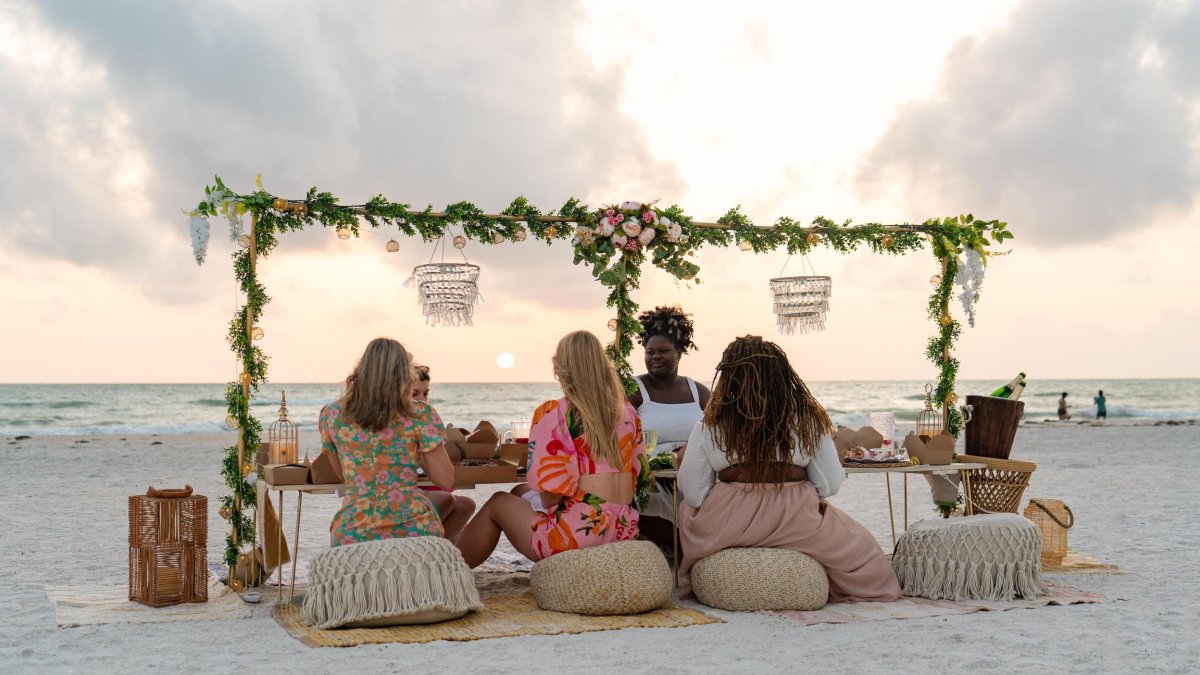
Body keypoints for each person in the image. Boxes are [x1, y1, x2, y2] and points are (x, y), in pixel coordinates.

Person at [677, 335, 901, 602]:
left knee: (686, 509)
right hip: (797, 521)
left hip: (728, 524)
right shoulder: (807, 422)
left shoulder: (708, 426)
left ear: (728, 378)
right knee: (864, 551)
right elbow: (829, 485)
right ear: (782, 376)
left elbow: (694, 493)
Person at [455, 330, 649, 567]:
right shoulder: (628, 412)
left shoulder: (556, 412)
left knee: (498, 502)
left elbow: (550, 496)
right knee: (520, 491)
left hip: (577, 536)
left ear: (561, 370)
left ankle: (450, 573)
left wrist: (540, 499)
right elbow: (639, 474)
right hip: (621, 529)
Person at [318, 338, 456, 546]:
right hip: (411, 527)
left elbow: (345, 476)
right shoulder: (420, 413)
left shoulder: (331, 414)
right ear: (404, 375)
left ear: (361, 371)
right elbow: (446, 481)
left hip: (352, 530)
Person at [627, 305, 710, 547]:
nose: (655, 356)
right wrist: (666, 460)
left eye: (663, 350)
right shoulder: (633, 390)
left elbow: (720, 433)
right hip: (651, 475)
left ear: (679, 352)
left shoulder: (699, 392)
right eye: (649, 352)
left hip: (693, 474)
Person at [411, 364, 477, 540]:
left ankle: (438, 550)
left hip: (426, 489)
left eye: (426, 394)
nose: (422, 400)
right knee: (446, 497)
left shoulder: (420, 419)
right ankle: (429, 547)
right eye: (414, 394)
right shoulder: (418, 418)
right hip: (402, 496)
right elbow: (445, 481)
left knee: (465, 504)